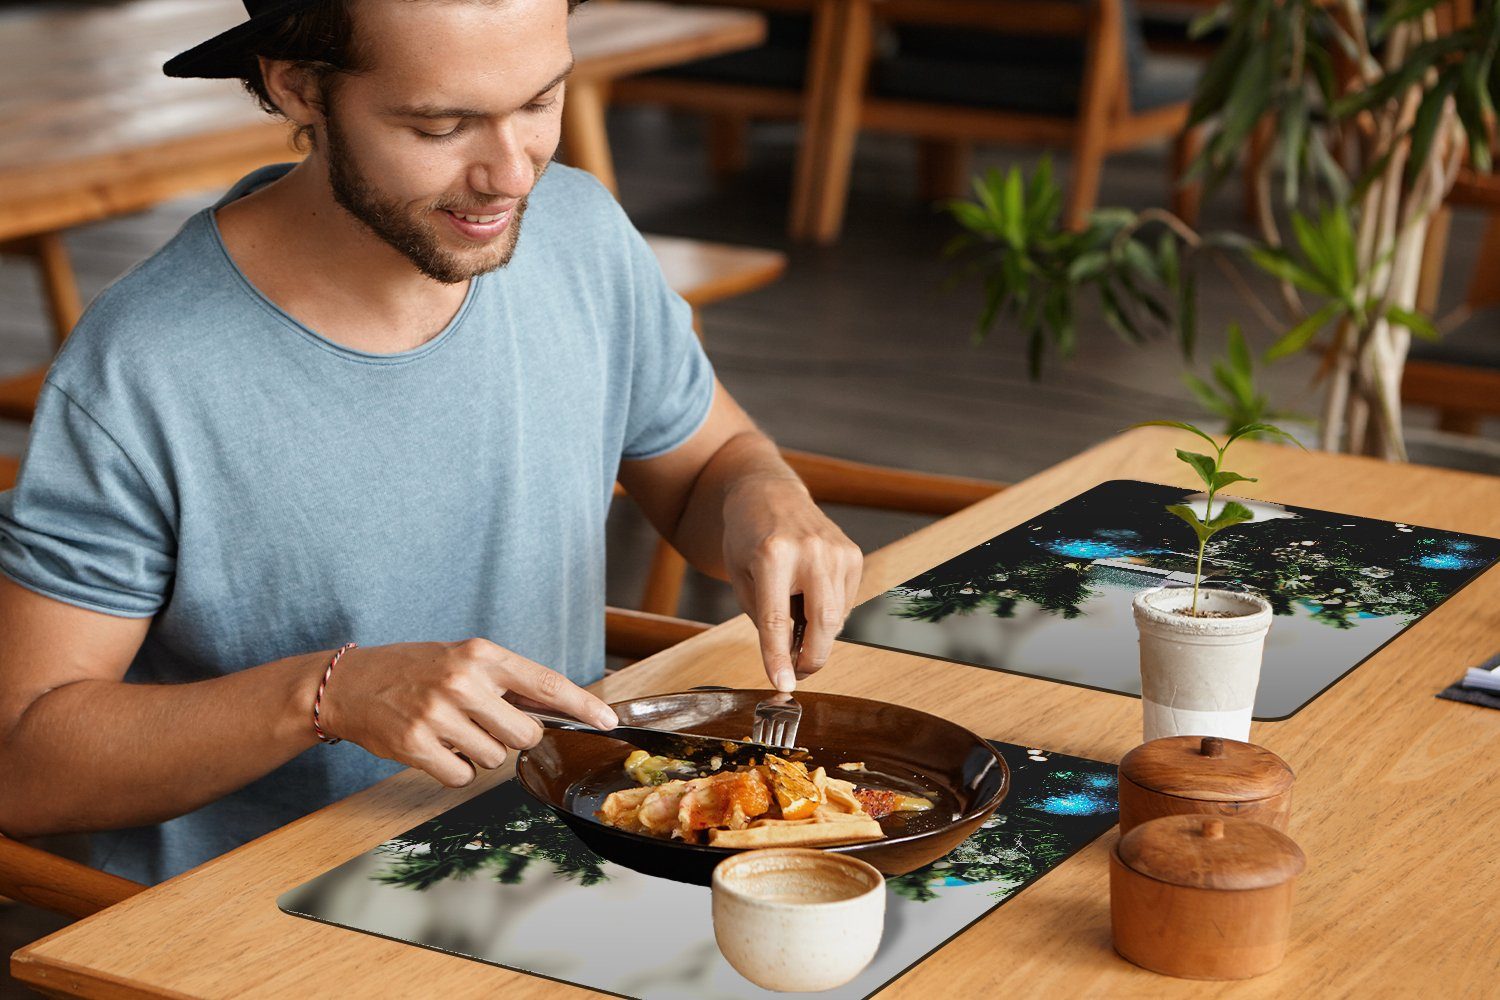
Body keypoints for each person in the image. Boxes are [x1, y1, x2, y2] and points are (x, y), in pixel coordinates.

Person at [0, 0, 862, 885]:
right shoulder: (144, 364)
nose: (511, 175)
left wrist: (768, 500)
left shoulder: (578, 231)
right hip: (265, 926)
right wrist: (327, 694)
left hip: (560, 861)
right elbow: (24, 766)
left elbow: (706, 467)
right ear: (295, 84)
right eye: (441, 125)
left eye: (539, 102)